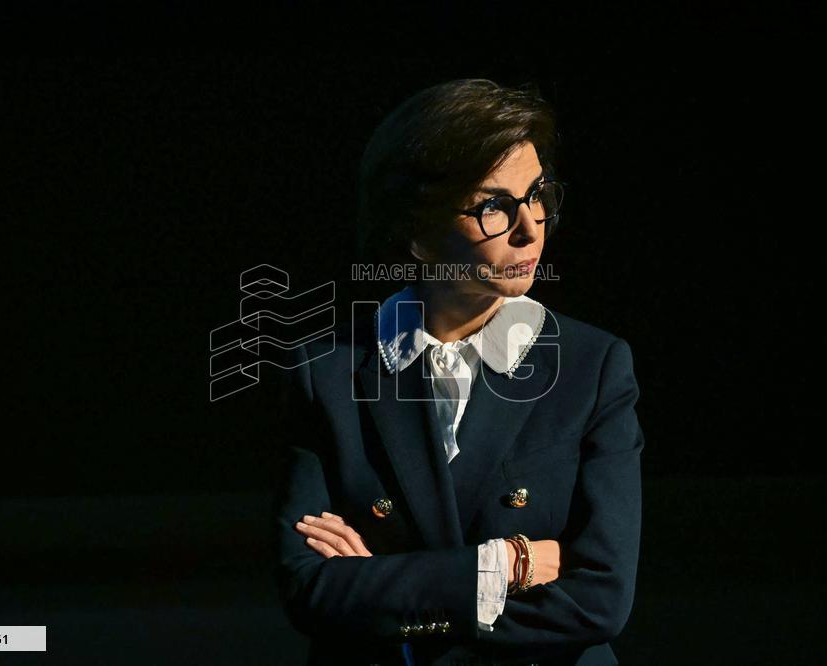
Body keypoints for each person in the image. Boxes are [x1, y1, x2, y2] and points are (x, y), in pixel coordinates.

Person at [269, 78, 644, 665]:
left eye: (537, 193)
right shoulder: (326, 372)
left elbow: (601, 598)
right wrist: (512, 563)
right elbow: (310, 590)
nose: (531, 227)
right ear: (418, 235)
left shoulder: (594, 366)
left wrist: (389, 586)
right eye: (494, 206)